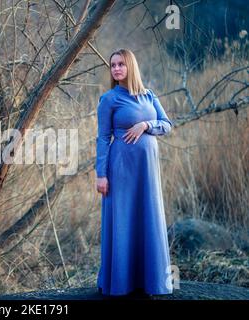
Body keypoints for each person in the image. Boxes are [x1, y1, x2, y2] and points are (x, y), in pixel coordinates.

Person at [95, 48, 174, 297]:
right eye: (113, 65)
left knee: (148, 216)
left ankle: (149, 282)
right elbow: (102, 138)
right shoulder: (109, 99)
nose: (116, 69)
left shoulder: (149, 96)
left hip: (147, 172)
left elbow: (167, 125)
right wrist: (101, 174)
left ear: (131, 66)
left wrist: (145, 125)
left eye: (121, 64)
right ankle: (120, 283)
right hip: (121, 170)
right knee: (123, 220)